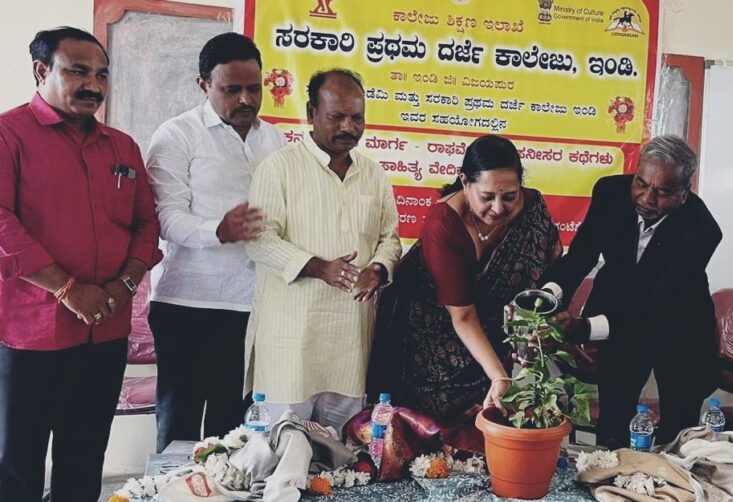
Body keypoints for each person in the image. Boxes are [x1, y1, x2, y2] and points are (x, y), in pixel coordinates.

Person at [0, 27, 161, 502]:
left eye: (102, 75)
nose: (93, 84)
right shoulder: (9, 135)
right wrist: (67, 288)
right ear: (41, 71)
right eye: (78, 71)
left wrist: (125, 283)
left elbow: (147, 224)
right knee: (16, 464)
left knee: (85, 456)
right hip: (30, 335)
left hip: (104, 331)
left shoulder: (122, 147)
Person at [146, 32, 286, 452]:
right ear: (203, 84)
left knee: (237, 430)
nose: (246, 99)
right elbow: (165, 217)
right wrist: (218, 230)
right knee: (181, 427)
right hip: (188, 304)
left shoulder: (274, 140)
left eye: (254, 89)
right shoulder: (177, 135)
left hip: (252, 305)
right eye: (232, 89)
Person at [245, 69, 401, 432]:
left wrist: (378, 270)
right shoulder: (279, 168)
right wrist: (319, 267)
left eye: (357, 118)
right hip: (290, 347)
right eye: (336, 117)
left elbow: (390, 238)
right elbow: (258, 240)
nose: (349, 127)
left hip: (350, 346)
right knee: (280, 448)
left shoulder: (374, 174)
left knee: (342, 450)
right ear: (311, 113)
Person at [541, 134, 722, 448]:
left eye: (662, 192)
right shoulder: (610, 193)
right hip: (620, 324)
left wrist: (584, 327)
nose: (647, 198)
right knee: (613, 423)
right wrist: (548, 295)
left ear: (684, 192)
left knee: (676, 437)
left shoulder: (701, 230)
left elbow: (655, 302)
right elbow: (582, 254)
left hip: (679, 330)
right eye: (641, 183)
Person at [368, 134, 562, 422]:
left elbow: (551, 271)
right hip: (431, 332)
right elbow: (463, 316)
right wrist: (499, 376)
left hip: (490, 334)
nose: (498, 208)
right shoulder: (443, 224)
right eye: (487, 197)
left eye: (510, 196)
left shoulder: (532, 210)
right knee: (435, 423)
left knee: (494, 415)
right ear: (464, 182)